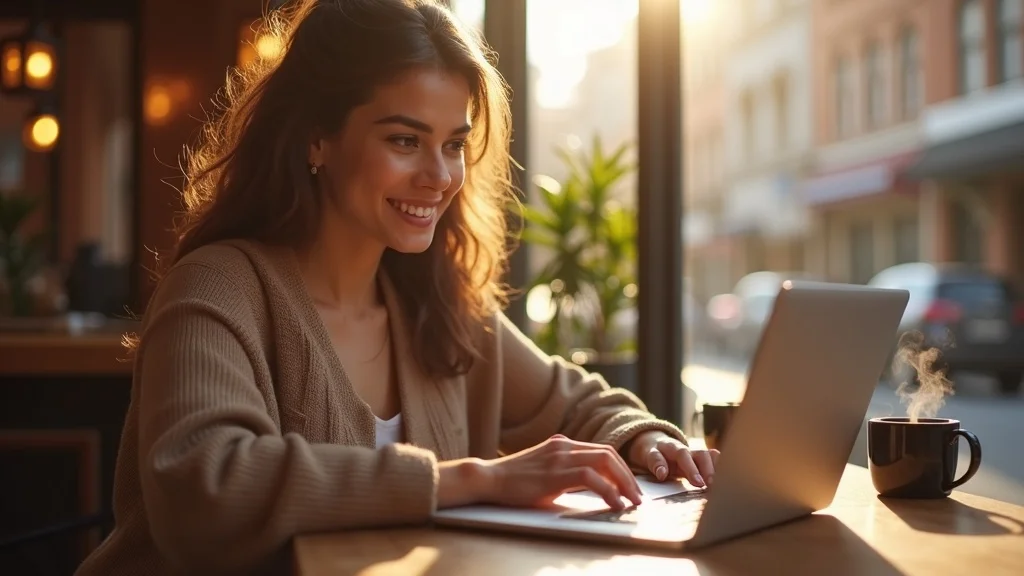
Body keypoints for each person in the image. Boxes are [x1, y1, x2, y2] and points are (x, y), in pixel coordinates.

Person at [76, 1, 717, 574]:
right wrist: (470, 481)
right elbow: (203, 487)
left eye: (454, 144)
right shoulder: (220, 288)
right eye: (405, 140)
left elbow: (577, 404)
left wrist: (647, 441)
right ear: (316, 139)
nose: (438, 176)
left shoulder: (435, 304)